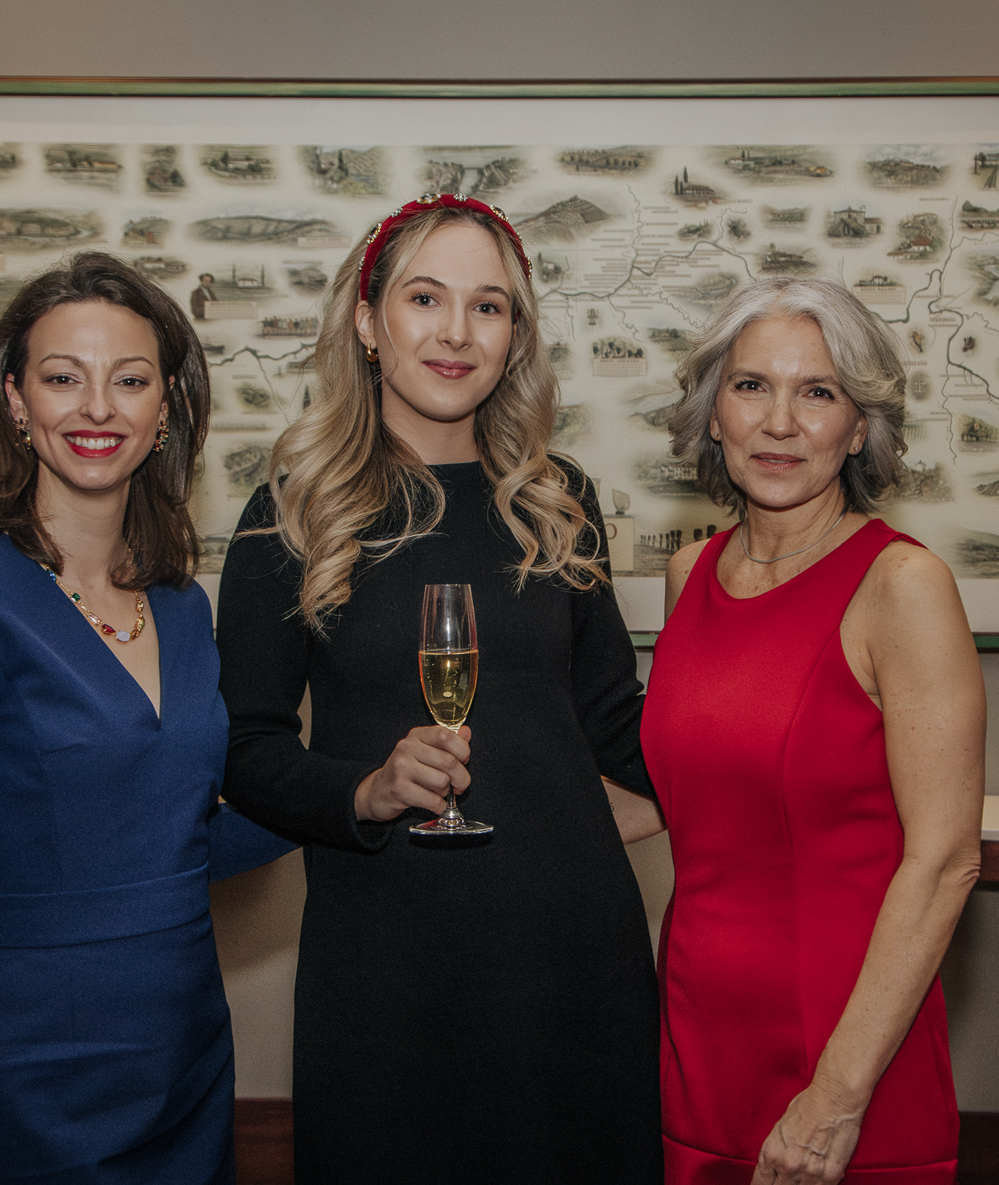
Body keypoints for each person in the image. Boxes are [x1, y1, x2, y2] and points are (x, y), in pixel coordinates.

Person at [215, 194, 663, 1184]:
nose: (456, 331)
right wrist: (364, 790)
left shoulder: (559, 501)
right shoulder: (292, 509)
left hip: (573, 958)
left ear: (515, 336)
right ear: (368, 321)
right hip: (388, 965)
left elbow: (614, 728)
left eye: (487, 306)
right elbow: (245, 749)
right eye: (424, 298)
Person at [0, 252, 295, 1185]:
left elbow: (171, 847)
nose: (97, 407)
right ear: (15, 400)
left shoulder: (180, 606)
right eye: (63, 378)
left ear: (167, 406)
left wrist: (344, 785)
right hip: (27, 1079)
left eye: (130, 380)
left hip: (183, 1065)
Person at [633, 275, 985, 1185]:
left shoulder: (902, 586)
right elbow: (685, 797)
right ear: (714, 412)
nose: (780, 422)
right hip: (699, 1037)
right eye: (752, 386)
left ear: (859, 426)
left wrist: (835, 1097)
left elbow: (946, 859)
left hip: (846, 1053)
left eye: (818, 392)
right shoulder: (688, 574)